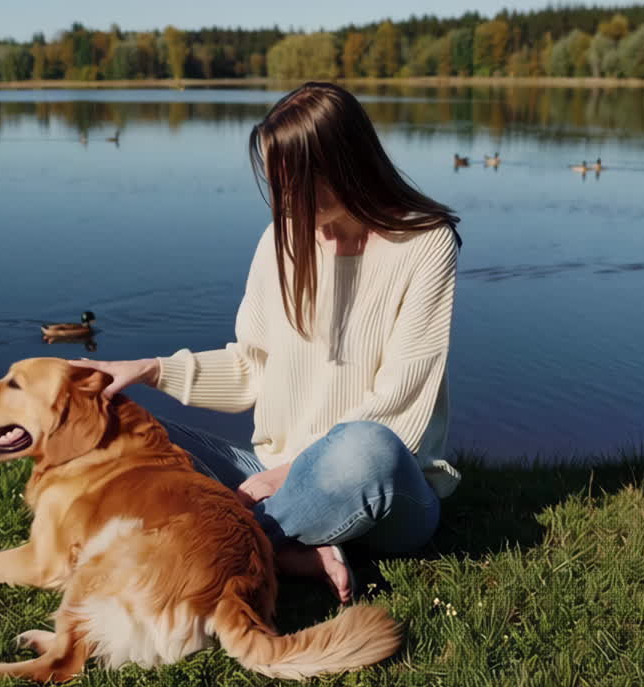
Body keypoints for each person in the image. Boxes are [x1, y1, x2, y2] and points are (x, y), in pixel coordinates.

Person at [71, 82, 462, 603]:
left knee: (365, 448)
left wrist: (290, 474)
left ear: (342, 163)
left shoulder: (425, 242)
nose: (282, 196)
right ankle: (284, 548)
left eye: (294, 179)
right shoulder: (282, 236)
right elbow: (250, 367)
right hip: (270, 473)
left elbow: (401, 408)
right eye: (276, 179)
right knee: (121, 426)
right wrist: (148, 369)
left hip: (385, 490)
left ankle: (223, 546)